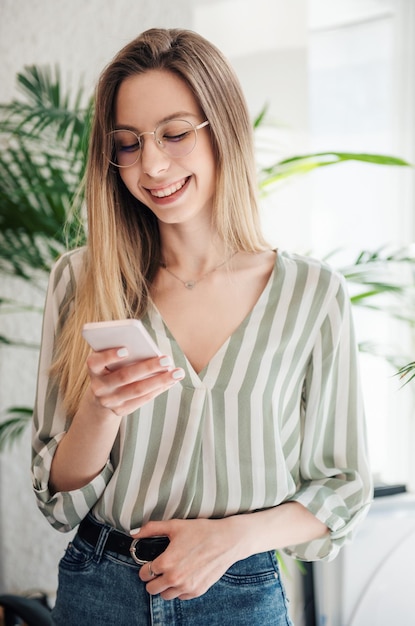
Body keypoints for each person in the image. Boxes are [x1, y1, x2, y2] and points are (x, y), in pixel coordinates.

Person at [31, 27, 372, 626]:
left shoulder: (311, 294)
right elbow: (57, 499)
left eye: (175, 133)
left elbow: (343, 488)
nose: (152, 164)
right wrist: (102, 409)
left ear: (225, 130)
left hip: (242, 594)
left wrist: (233, 538)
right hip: (101, 590)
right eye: (129, 144)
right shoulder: (83, 280)